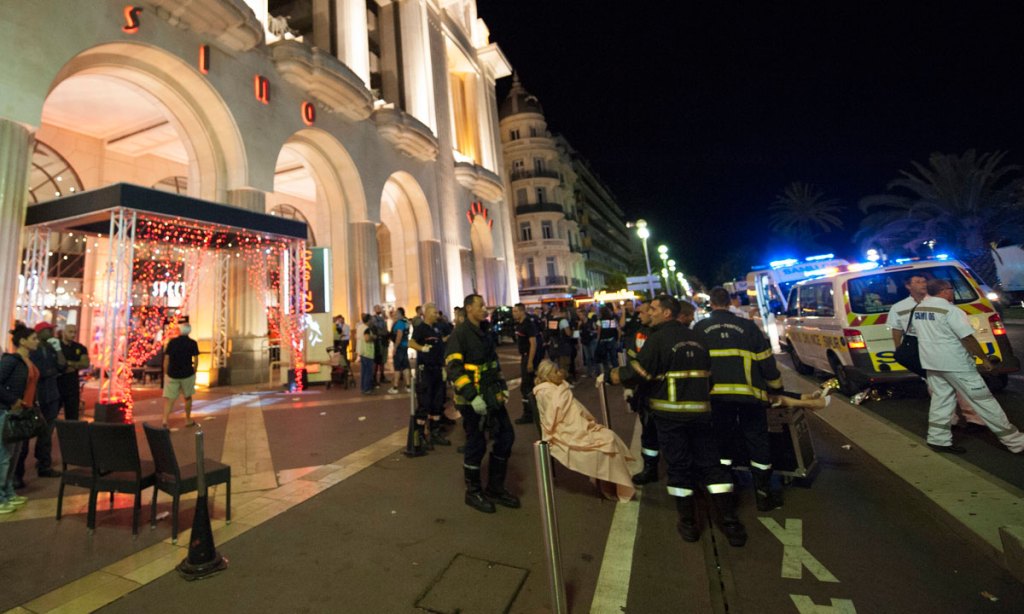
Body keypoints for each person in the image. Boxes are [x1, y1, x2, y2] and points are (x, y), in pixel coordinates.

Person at [605, 295, 747, 546]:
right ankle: (730, 523)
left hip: (670, 416)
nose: (650, 312)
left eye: (654, 309)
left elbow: (639, 372)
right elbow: (709, 376)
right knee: (712, 466)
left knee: (679, 468)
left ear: (667, 313)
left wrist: (611, 376)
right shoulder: (696, 337)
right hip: (701, 414)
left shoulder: (658, 339)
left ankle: (688, 523)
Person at [694, 286, 785, 512]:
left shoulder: (700, 328)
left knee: (722, 440)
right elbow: (767, 361)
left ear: (711, 303)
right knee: (757, 440)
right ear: (730, 302)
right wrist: (776, 388)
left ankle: (728, 490)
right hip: (750, 396)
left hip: (716, 397)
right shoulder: (748, 327)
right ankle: (763, 494)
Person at [911, 278, 1024, 454]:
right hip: (956, 364)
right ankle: (1016, 442)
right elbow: (967, 338)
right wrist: (984, 359)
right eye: (950, 289)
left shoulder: (919, 309)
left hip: (932, 363)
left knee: (941, 400)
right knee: (984, 401)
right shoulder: (950, 310)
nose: (952, 292)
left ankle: (938, 439)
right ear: (944, 291)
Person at [446, 293, 519, 513]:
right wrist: (472, 396)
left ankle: (495, 487)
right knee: (476, 444)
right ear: (469, 308)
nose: (485, 309)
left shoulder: (485, 332)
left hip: (491, 395)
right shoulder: (459, 335)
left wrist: (502, 387)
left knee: (506, 436)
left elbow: (493, 364)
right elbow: (454, 369)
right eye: (480, 305)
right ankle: (473, 492)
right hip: (472, 401)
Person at [889, 273, 986, 429]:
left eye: (924, 281)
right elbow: (896, 328)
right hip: (923, 349)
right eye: (918, 281)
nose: (923, 284)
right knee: (937, 388)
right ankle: (949, 421)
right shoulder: (899, 307)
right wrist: (899, 348)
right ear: (908, 286)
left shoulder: (940, 303)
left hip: (946, 347)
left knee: (961, 386)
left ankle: (974, 420)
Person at [534, 360, 635, 502]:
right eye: (556, 372)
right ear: (548, 375)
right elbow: (552, 419)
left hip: (576, 425)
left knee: (609, 437)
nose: (560, 373)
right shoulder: (545, 392)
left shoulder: (559, 387)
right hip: (565, 430)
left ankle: (611, 481)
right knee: (607, 441)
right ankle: (607, 482)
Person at [16, 322, 65, 486]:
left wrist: (58, 350)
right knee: (25, 437)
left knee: (47, 433)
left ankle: (44, 464)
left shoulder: (51, 348)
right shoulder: (30, 351)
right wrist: (51, 372)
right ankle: (18, 474)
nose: (51, 332)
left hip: (51, 396)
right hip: (35, 397)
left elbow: (62, 366)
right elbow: (40, 372)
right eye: (48, 330)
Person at [0, 325, 40, 513]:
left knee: (14, 455)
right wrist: (13, 400)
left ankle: (8, 492)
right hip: (7, 411)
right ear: (23, 341)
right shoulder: (11, 360)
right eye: (34, 338)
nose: (37, 341)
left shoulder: (27, 361)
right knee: (4, 455)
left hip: (22, 413)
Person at [623, 300, 660, 485]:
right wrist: (629, 386)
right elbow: (632, 360)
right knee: (648, 432)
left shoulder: (661, 333)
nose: (641, 315)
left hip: (660, 390)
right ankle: (650, 468)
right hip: (645, 390)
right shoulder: (639, 333)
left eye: (645, 311)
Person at [409, 303, 450, 452]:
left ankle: (435, 432)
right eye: (433, 312)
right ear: (426, 313)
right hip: (425, 370)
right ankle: (420, 435)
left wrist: (443, 367)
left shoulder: (436, 329)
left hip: (437, 370)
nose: (436, 315)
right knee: (424, 402)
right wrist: (422, 348)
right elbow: (411, 343)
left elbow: (440, 348)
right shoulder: (420, 328)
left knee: (437, 402)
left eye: (437, 313)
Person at [162, 321, 200, 428]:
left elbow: (166, 358)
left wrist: (166, 372)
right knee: (187, 397)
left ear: (179, 331)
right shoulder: (192, 343)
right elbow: (196, 359)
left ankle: (165, 420)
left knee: (170, 398)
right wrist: (194, 370)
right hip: (187, 373)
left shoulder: (172, 342)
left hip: (172, 373)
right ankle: (187, 419)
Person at [511, 303, 542, 425]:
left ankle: (529, 414)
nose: (513, 314)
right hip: (525, 356)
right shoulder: (520, 324)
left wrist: (530, 362)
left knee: (526, 386)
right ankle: (534, 411)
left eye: (515, 311)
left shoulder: (528, 324)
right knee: (528, 385)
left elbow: (533, 344)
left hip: (528, 357)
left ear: (521, 311)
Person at [57, 324, 90, 421]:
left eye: (75, 332)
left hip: (72, 386)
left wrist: (68, 363)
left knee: (72, 416)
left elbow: (85, 364)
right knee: (51, 415)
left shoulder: (80, 348)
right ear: (63, 332)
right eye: (70, 332)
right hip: (57, 384)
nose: (73, 334)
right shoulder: (57, 347)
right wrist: (75, 365)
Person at [388, 307, 411, 394]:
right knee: (405, 366)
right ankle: (408, 386)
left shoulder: (399, 323)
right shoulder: (406, 322)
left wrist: (395, 347)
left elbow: (399, 335)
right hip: (405, 346)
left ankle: (395, 387)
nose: (395, 314)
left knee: (397, 367)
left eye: (396, 313)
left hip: (400, 347)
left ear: (400, 314)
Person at [596, 305, 620, 375]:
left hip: (603, 341)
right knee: (614, 358)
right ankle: (616, 374)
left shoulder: (600, 321)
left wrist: (598, 341)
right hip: (612, 340)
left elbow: (599, 332)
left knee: (605, 360)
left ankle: (607, 375)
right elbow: (618, 330)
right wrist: (618, 340)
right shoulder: (612, 320)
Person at [356, 314, 375, 394]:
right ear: (369, 320)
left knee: (363, 371)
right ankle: (367, 388)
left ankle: (363, 387)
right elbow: (367, 339)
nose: (372, 321)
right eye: (371, 319)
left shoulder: (359, 327)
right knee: (368, 372)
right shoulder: (367, 329)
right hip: (367, 352)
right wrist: (373, 337)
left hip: (361, 351)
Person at [371, 305, 389, 387]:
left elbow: (385, 328)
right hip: (379, 341)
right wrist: (383, 318)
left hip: (384, 340)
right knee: (378, 360)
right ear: (374, 310)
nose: (380, 309)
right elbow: (380, 326)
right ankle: (374, 377)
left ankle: (382, 376)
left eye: (380, 308)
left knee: (383, 360)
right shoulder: (374, 318)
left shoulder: (382, 318)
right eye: (378, 308)